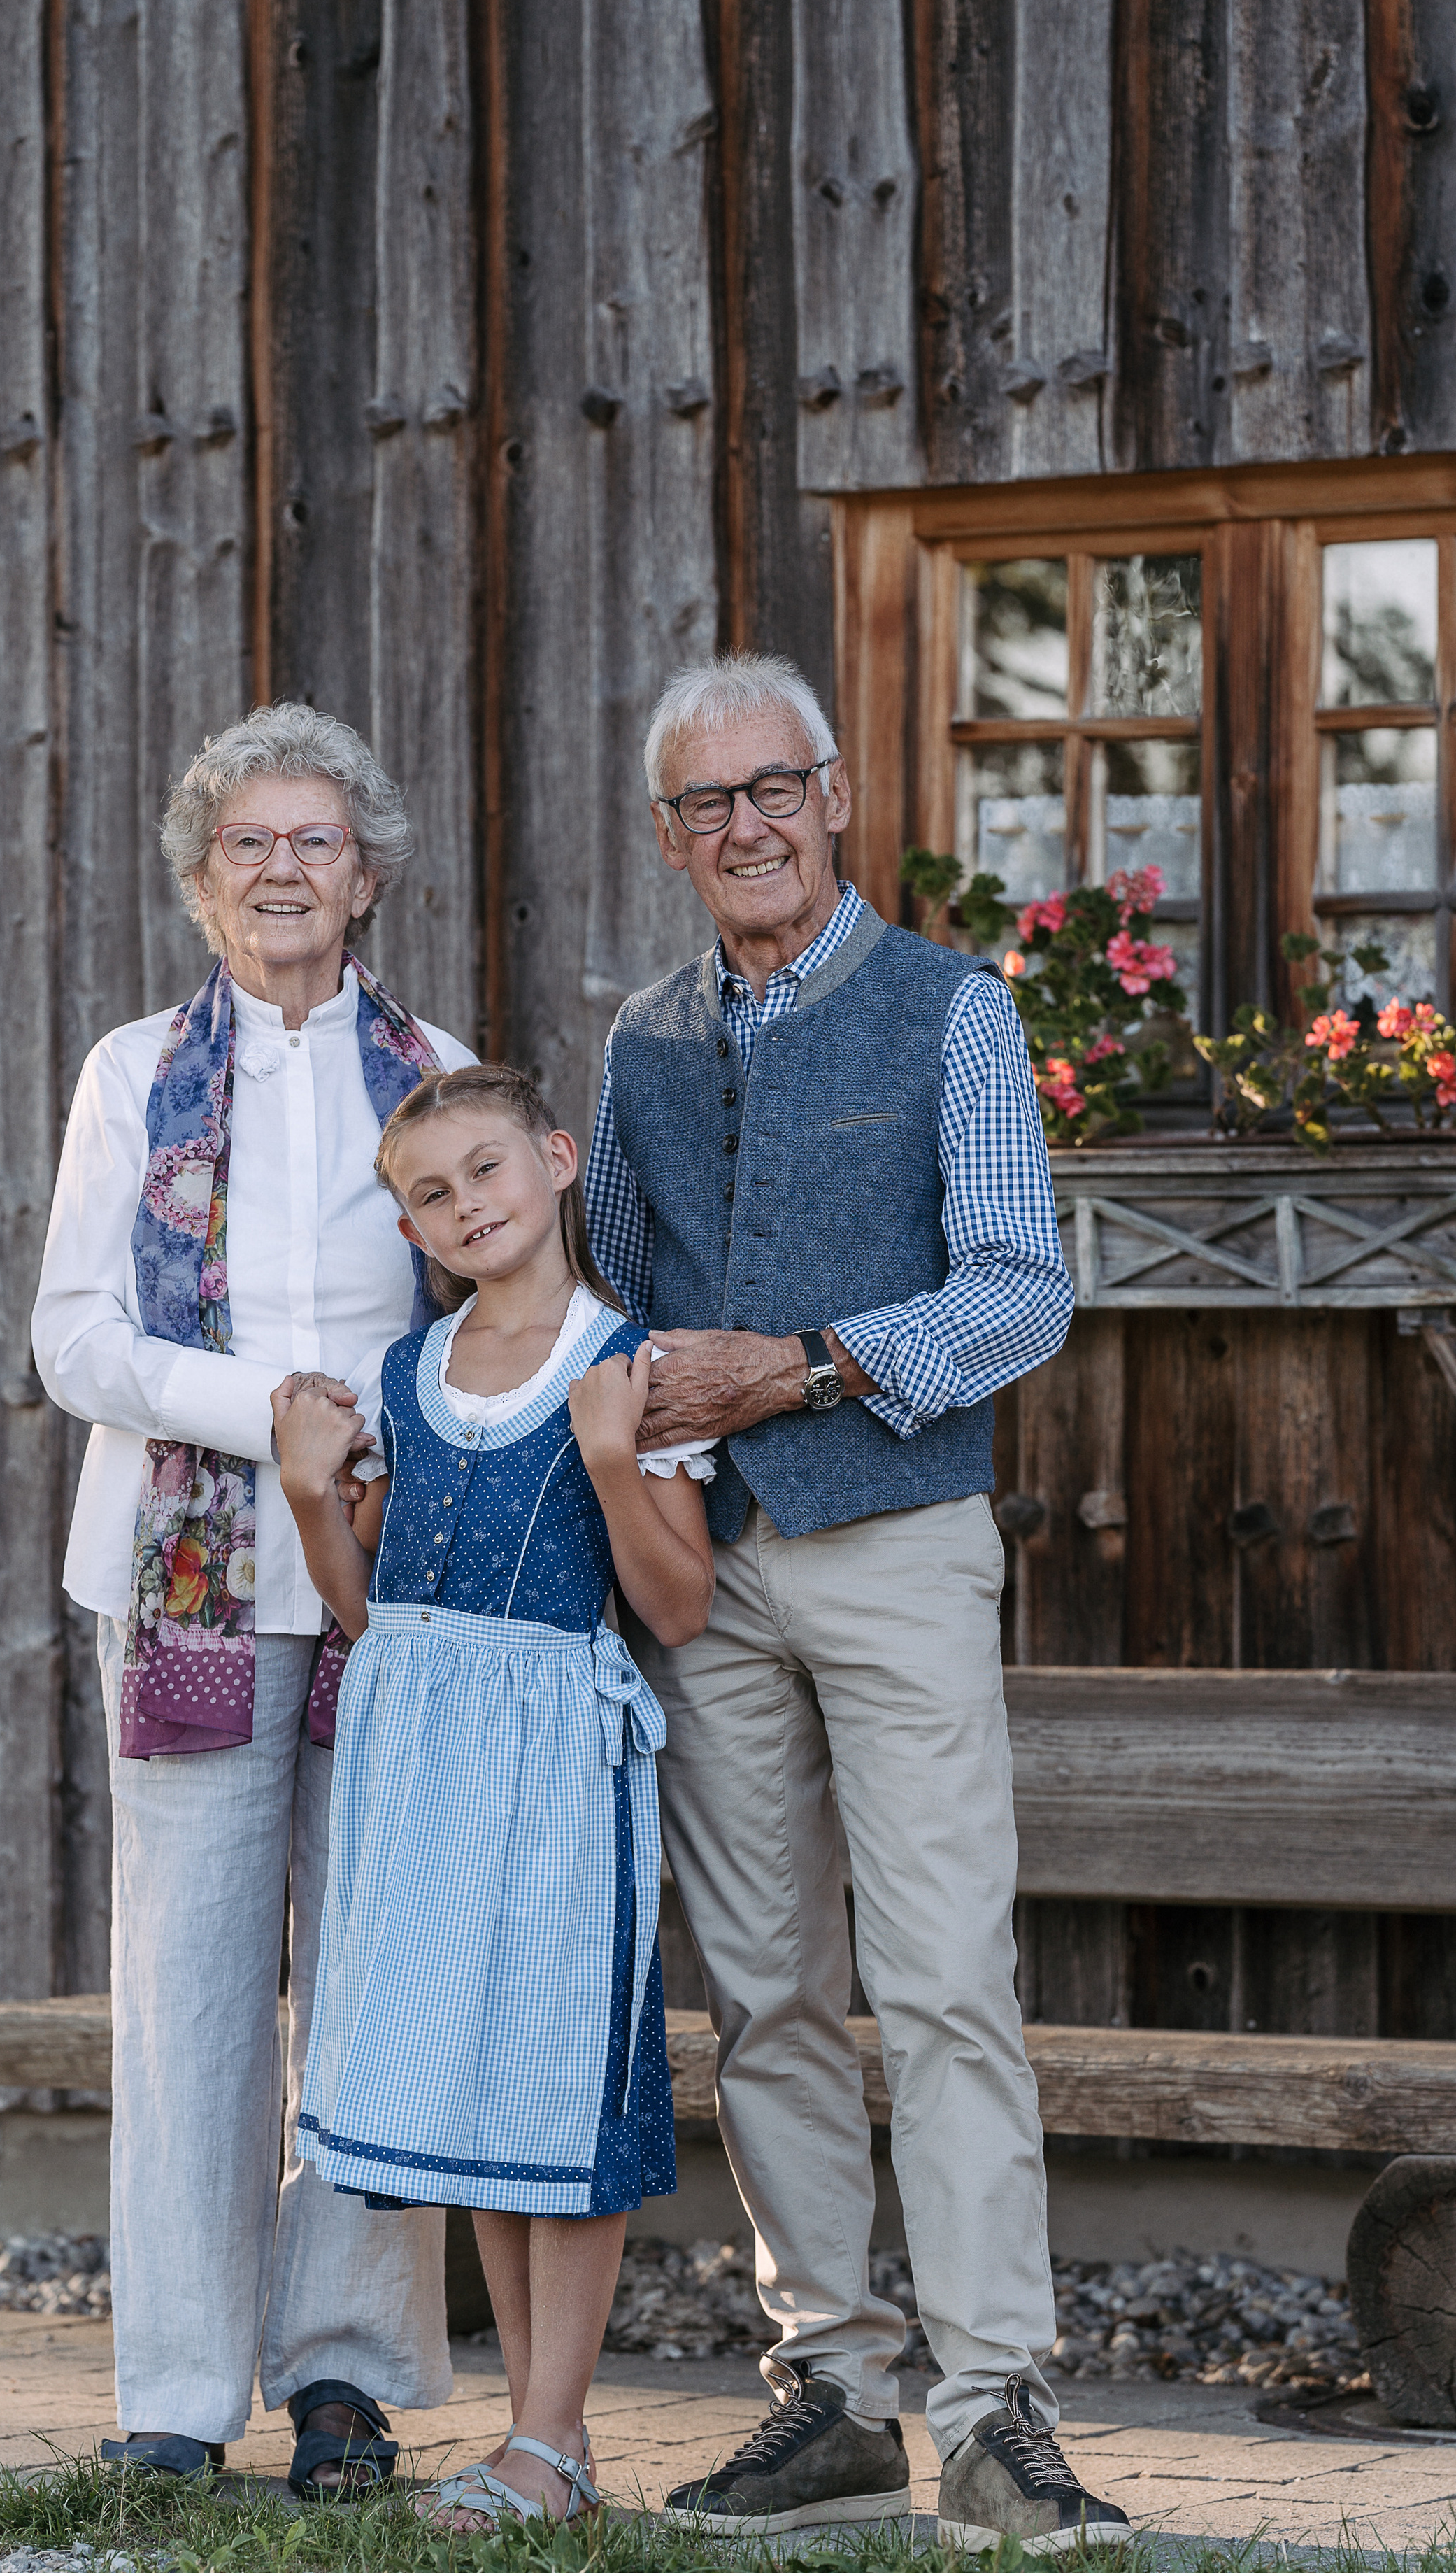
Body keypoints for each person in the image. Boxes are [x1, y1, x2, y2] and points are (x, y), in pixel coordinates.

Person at [583, 652, 1132, 2552]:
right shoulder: (639, 1042)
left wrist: (806, 1368)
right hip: (711, 1573)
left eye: (772, 791)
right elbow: (620, 1306)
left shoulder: (948, 1012)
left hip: (896, 1543)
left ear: (832, 797)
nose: (744, 828)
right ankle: (831, 2387)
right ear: (671, 838)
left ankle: (995, 2406)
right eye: (704, 805)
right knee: (764, 1997)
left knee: (947, 1982)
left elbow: (1018, 1293)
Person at [31, 704, 475, 2492]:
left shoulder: (439, 1070)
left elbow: (484, 1310)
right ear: (203, 882)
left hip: (388, 1580)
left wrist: (374, 1446)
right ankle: (176, 2387)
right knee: (193, 1990)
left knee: (365, 1981)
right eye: (248, 846)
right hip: (186, 1572)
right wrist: (261, 1417)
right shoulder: (134, 1071)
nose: (284, 872)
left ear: (364, 874)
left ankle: (351, 2377)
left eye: (315, 843)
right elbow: (74, 1338)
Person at [271, 1063, 716, 2534]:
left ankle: (552, 2433)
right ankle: (541, 2445)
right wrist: (307, 1496)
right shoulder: (409, 1372)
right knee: (475, 2085)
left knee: (557, 2091)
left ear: (556, 1158)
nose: (465, 1206)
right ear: (408, 1229)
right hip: (419, 1764)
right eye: (429, 1194)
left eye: (484, 1171)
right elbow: (368, 1612)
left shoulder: (628, 1362)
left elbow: (679, 1602)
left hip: (551, 1765)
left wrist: (605, 1453)